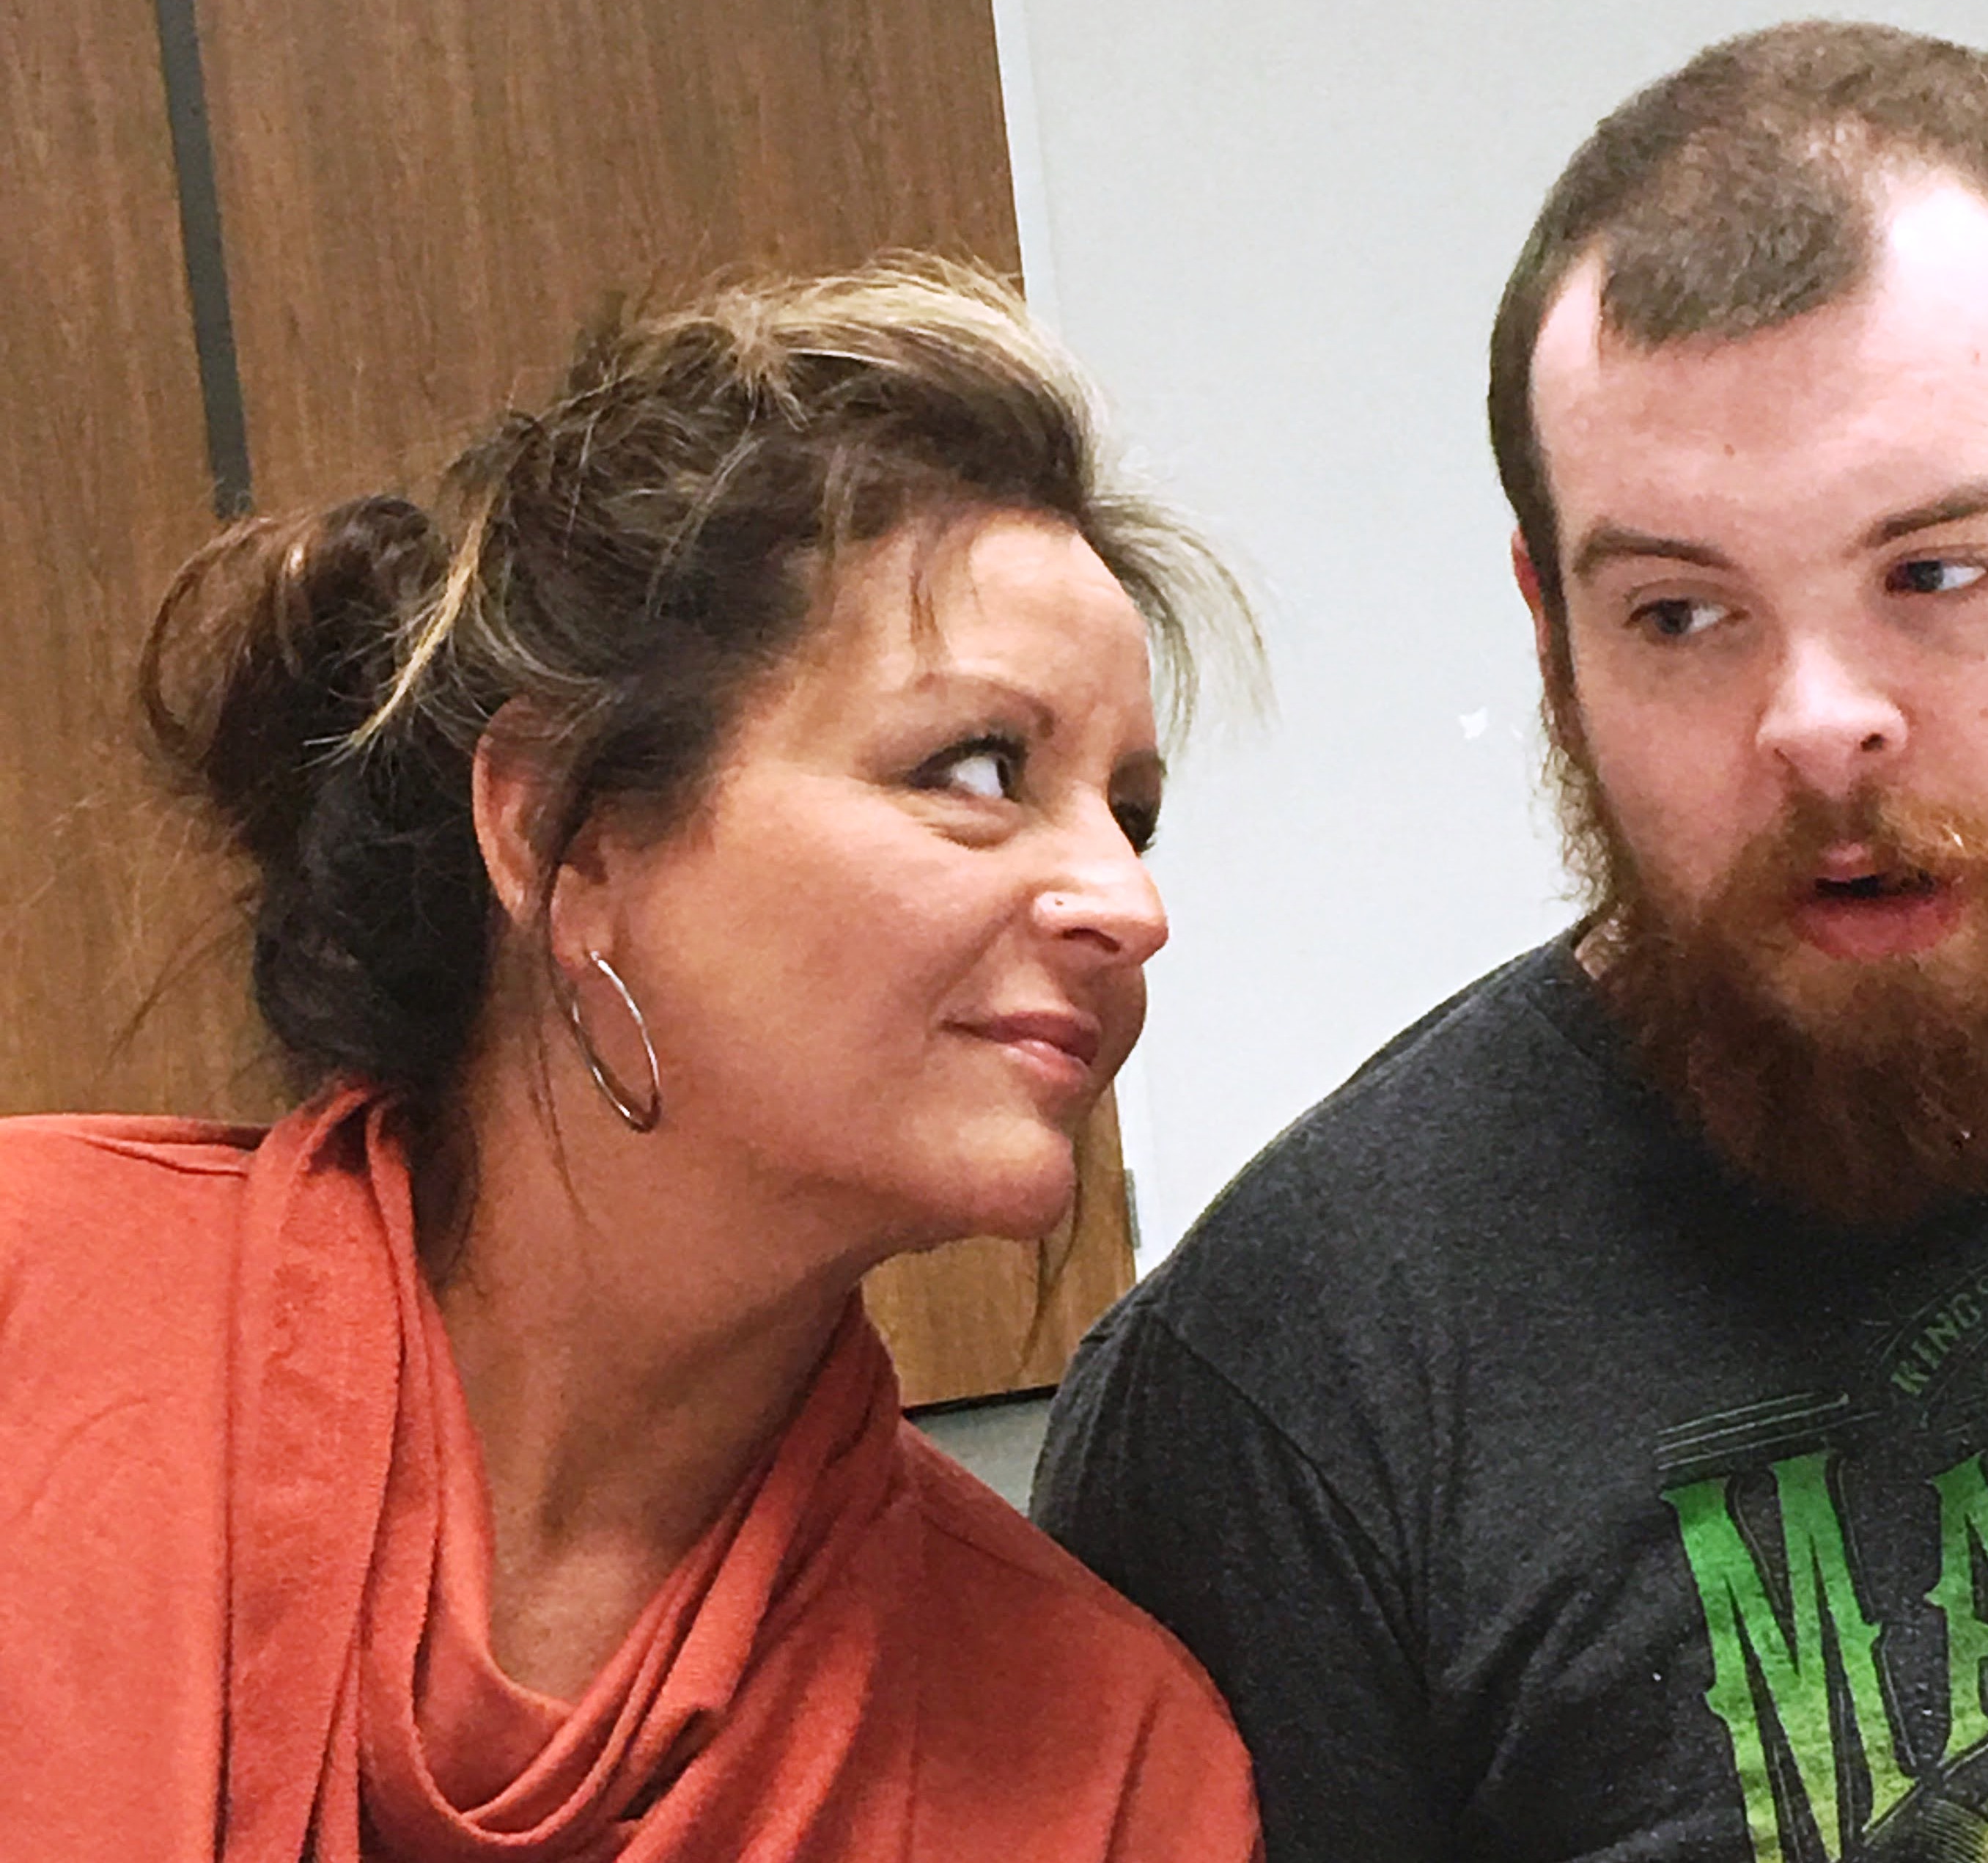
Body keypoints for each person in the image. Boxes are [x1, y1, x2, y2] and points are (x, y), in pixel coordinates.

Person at [1031, 21, 1988, 1863]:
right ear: (1551, 631)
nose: (1818, 722)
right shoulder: (1292, 1398)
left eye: (1938, 573)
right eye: (1681, 613)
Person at [0, 261, 1262, 1861]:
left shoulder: (1108, 1769)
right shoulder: (34, 1311)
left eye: (1130, 813)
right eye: (979, 766)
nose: (1131, 904)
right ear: (559, 830)